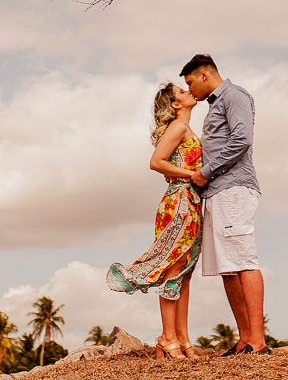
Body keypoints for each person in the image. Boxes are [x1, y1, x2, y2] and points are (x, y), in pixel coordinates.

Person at [106, 82, 203, 361]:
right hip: (178, 203)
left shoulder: (186, 128)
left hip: (190, 202)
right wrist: (189, 174)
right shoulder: (178, 128)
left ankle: (181, 337)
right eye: (182, 92)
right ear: (175, 104)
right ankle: (168, 337)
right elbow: (156, 161)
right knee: (173, 270)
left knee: (182, 272)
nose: (188, 91)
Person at [181, 54, 270, 356]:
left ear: (204, 74)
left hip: (233, 188)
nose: (190, 89)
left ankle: (257, 341)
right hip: (217, 192)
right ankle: (245, 339)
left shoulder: (233, 95)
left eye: (191, 82)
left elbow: (242, 139)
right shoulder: (214, 105)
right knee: (228, 268)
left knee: (243, 260)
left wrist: (204, 173)